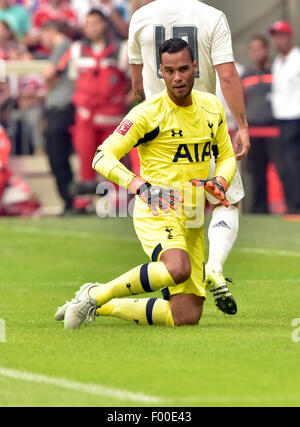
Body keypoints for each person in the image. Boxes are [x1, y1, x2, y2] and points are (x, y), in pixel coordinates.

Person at [57, 38, 237, 330]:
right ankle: (94, 295)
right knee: (176, 268)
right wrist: (140, 186)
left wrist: (220, 179)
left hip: (193, 214)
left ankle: (100, 305)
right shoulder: (147, 113)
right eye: (169, 71)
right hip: (158, 208)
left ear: (195, 68)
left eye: (183, 69)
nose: (177, 77)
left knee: (185, 316)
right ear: (161, 73)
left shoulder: (212, 107)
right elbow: (102, 157)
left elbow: (227, 155)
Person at [128, 0, 250, 313]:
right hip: (203, 124)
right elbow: (228, 75)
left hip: (159, 133)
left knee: (174, 210)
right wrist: (242, 125)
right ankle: (213, 266)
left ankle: (178, 281)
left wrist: (145, 125)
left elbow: (137, 83)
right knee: (227, 202)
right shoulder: (211, 16)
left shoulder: (141, 16)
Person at [56, 8, 131, 199]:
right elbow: (75, 81)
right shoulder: (76, 49)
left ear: (105, 24)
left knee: (114, 161)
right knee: (85, 161)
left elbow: (131, 81)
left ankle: (118, 202)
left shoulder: (121, 49)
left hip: (112, 117)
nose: (92, 28)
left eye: (96, 23)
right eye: (88, 24)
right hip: (85, 117)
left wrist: (123, 101)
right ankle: (84, 202)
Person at [242, 35, 283, 214]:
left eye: (260, 48)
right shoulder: (245, 76)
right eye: (253, 49)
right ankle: (259, 211)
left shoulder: (277, 72)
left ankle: (289, 208)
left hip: (275, 132)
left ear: (267, 50)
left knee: (284, 171)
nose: (257, 52)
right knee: (256, 175)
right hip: (254, 133)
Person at [40, 20, 75, 216]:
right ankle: (68, 200)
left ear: (51, 31)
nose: (42, 40)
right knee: (56, 158)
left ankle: (70, 199)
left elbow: (48, 74)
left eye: (44, 35)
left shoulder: (65, 46)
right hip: (56, 108)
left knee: (59, 157)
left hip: (63, 108)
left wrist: (48, 81)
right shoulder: (62, 48)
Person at [269, 20, 300, 215]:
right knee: (286, 164)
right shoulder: (277, 62)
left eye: (281, 36)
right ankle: (292, 204)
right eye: (275, 37)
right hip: (282, 118)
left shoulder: (297, 59)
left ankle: (296, 206)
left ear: (289, 37)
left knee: (292, 163)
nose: (277, 40)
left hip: (295, 117)